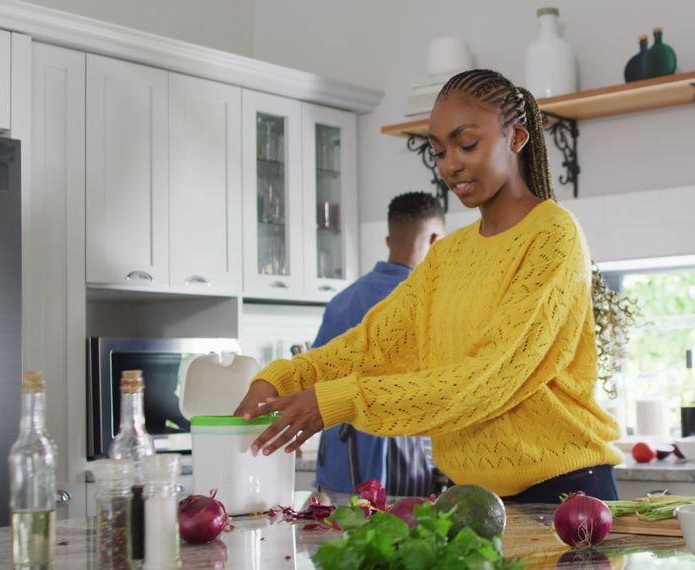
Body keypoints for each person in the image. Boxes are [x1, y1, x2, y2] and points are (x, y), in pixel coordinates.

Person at [234, 68, 636, 503]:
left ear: (516, 137)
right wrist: (282, 378)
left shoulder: (553, 234)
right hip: (475, 497)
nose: (450, 165)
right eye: (439, 152)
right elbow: (372, 346)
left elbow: (490, 377)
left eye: (466, 145)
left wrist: (337, 400)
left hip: (566, 492)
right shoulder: (448, 255)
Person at [312, 191, 445, 499]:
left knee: (334, 544)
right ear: (437, 240)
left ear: (389, 240)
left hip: (336, 464)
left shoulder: (341, 301)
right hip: (399, 464)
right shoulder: (427, 302)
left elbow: (315, 377)